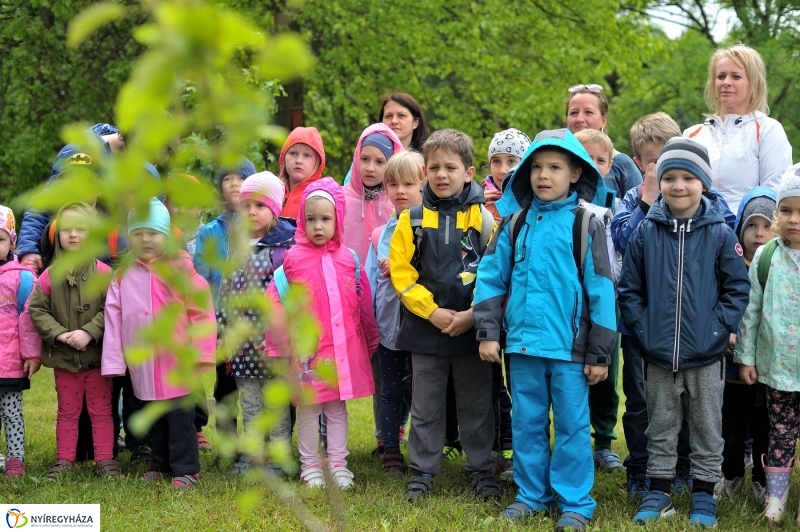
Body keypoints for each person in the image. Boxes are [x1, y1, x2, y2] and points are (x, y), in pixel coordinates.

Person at [474, 128, 617, 531]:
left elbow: (603, 290)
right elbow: (490, 278)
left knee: (573, 426)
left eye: (554, 167)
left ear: (575, 173)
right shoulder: (515, 223)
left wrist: (599, 352)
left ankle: (575, 500)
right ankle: (531, 494)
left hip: (570, 350)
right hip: (521, 347)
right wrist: (488, 331)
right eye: (536, 167)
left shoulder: (587, 224)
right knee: (527, 422)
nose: (543, 175)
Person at [618, 138, 750, 528]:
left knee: (708, 425)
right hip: (658, 354)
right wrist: (642, 329)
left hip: (706, 354)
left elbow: (736, 288)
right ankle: (658, 491)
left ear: (703, 183)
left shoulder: (721, 234)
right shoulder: (646, 232)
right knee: (660, 424)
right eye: (670, 177)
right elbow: (629, 288)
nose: (678, 186)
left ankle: (704, 493)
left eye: (688, 177)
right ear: (659, 181)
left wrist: (718, 327)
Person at [389, 129, 500, 503]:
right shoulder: (413, 219)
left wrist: (473, 315)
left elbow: (496, 271)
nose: (441, 174)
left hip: (472, 331)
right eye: (433, 167)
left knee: (477, 404)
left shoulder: (484, 219)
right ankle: (422, 471)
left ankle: (482, 468)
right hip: (426, 331)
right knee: (425, 406)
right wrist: (432, 312)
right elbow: (401, 273)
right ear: (424, 172)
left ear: (468, 172)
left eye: (450, 167)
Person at [611, 112, 704, 499]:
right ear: (639, 164)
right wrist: (648, 201)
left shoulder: (701, 202)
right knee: (641, 401)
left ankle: (681, 466)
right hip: (640, 325)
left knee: (682, 400)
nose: (667, 170)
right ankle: (640, 468)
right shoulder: (631, 202)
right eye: (655, 161)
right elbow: (624, 243)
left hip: (685, 324)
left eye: (671, 157)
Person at [266, 178, 380, 490]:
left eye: (325, 219)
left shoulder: (349, 259)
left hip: (341, 352)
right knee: (308, 409)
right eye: (311, 219)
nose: (318, 226)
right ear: (302, 220)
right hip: (308, 354)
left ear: (337, 220)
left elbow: (362, 302)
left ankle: (339, 464)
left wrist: (371, 339)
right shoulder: (292, 259)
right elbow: (276, 304)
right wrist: (278, 347)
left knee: (336, 409)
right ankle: (310, 465)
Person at [102, 198, 216, 488]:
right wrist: (115, 360)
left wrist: (201, 354)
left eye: (153, 233)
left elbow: (202, 313)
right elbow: (114, 321)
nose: (145, 240)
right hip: (144, 365)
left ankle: (186, 468)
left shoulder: (181, 272)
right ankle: (160, 463)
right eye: (138, 233)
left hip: (178, 363)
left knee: (179, 419)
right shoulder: (123, 276)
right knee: (155, 419)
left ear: (166, 235)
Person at [28, 202, 120, 480]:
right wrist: (57, 333)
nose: (73, 235)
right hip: (65, 361)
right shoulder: (50, 275)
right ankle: (64, 460)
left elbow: (112, 308)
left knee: (102, 410)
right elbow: (37, 309)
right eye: (67, 230)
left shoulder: (104, 274)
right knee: (67, 411)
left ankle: (105, 459)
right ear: (58, 236)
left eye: (81, 229)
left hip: (96, 359)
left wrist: (89, 332)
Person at [217, 171, 295, 476]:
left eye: (260, 206)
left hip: (273, 343)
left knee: (275, 403)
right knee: (250, 403)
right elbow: (226, 289)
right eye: (247, 204)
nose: (251, 211)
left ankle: (278, 457)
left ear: (274, 209)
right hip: (243, 344)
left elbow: (291, 297)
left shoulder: (285, 248)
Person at [736, 173, 800, 524]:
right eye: (787, 210)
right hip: (778, 367)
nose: (794, 220)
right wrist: (745, 357)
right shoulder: (766, 256)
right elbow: (751, 312)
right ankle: (776, 499)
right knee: (780, 433)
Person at [366, 151, 425, 476]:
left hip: (421, 328)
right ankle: (390, 449)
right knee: (389, 389)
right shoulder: (380, 234)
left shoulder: (430, 225)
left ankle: (422, 448)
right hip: (389, 327)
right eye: (393, 184)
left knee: (420, 391)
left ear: (423, 184)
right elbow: (370, 280)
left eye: (408, 183)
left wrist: (405, 267)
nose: (400, 190)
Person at [715, 186, 774, 505]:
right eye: (752, 225)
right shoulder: (732, 266)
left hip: (768, 367)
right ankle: (732, 474)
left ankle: (763, 480)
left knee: (764, 427)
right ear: (740, 228)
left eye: (767, 225)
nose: (759, 233)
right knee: (732, 426)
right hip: (734, 366)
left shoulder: (777, 268)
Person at [193, 158, 256, 453]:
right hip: (219, 322)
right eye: (227, 179)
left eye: (240, 178)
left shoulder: (259, 226)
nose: (233, 184)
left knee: (256, 384)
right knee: (225, 384)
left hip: (254, 322)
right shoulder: (209, 232)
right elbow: (201, 279)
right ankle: (229, 447)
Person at [684, 43, 792, 213]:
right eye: (721, 76)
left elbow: (772, 195)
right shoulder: (692, 135)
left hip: (745, 231)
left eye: (736, 76)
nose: (726, 82)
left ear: (753, 84)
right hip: (697, 231)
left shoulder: (768, 130)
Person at [0, 206, 41, 478]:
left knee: (12, 413)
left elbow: (29, 321)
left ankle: (16, 459)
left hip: (9, 363)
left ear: (12, 241)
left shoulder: (22, 278)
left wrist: (32, 354)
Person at [565, 83, 641, 202]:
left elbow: (639, 213)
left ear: (603, 121)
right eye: (574, 113)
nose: (580, 119)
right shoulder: (556, 161)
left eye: (588, 112)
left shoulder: (622, 165)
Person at [277, 127, 326, 220]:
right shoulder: (273, 191)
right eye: (293, 153)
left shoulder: (320, 197)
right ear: (284, 157)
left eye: (307, 155)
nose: (299, 161)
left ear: (318, 161)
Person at [483, 128, 531, 221]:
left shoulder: (535, 202)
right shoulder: (476, 199)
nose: (502, 170)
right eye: (496, 161)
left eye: (511, 161)